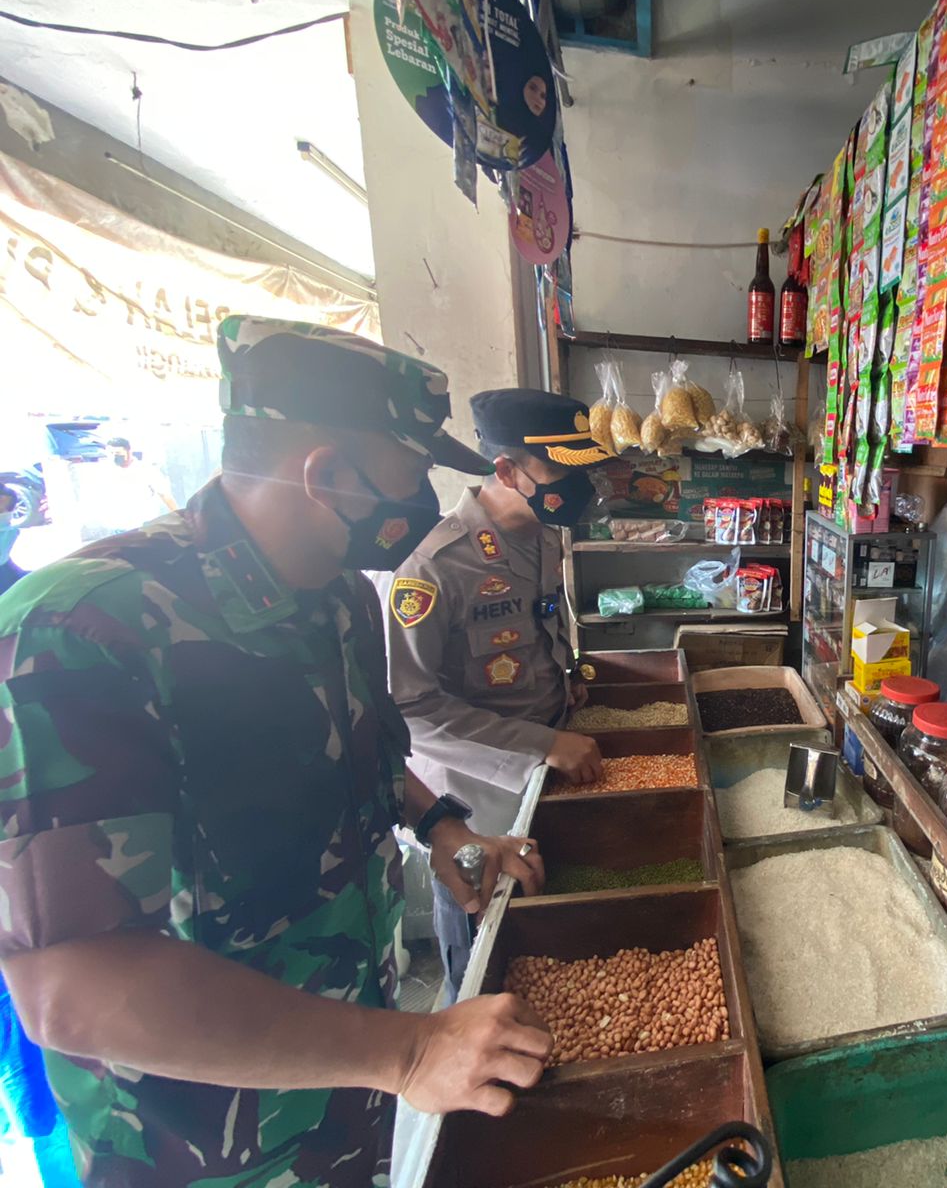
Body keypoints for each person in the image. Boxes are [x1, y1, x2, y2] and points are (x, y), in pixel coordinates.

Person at [0, 317, 556, 1187]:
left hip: (348, 1084)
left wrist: (445, 828)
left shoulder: (339, 599)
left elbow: (368, 758)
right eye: (408, 475)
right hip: (201, 1143)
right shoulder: (81, 632)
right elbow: (71, 988)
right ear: (326, 475)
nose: (421, 502)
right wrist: (410, 1051)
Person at [378, 388, 608, 999]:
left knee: (545, 939)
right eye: (562, 471)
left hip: (546, 765)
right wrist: (541, 744)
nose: (580, 487)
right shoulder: (433, 567)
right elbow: (410, 710)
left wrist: (566, 678)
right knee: (485, 954)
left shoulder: (544, 534)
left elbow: (541, 624)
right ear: (506, 470)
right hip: (477, 801)